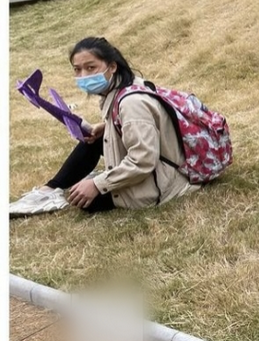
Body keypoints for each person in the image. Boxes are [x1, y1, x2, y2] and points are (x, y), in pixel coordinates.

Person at [9, 37, 204, 216]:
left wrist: (98, 184)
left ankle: (55, 191)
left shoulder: (131, 103)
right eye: (77, 69)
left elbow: (143, 160)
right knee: (93, 141)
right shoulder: (126, 86)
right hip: (165, 162)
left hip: (161, 186)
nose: (83, 75)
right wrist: (106, 127)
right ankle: (49, 190)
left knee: (85, 201)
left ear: (112, 66)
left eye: (91, 67)